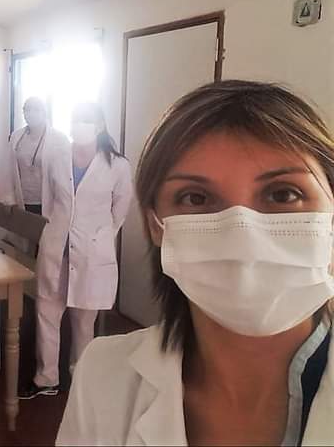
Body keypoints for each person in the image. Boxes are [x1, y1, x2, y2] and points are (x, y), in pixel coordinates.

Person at [57, 81, 334, 445]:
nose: (241, 233)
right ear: (155, 225)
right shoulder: (101, 376)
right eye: (196, 198)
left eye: (283, 194)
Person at [20, 102, 133, 399]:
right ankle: (46, 379)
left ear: (100, 126)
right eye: (76, 119)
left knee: (84, 320)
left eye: (86, 120)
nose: (80, 125)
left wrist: (99, 236)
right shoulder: (56, 157)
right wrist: (57, 232)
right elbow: (48, 202)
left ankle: (80, 376)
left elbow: (120, 211)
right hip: (56, 246)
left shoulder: (118, 165)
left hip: (91, 253)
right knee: (46, 311)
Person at [8, 97, 69, 214]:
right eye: (27, 109)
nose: (31, 113)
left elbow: (64, 175)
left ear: (44, 112)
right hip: (23, 199)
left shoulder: (59, 139)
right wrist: (10, 197)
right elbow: (10, 170)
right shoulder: (16, 137)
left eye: (36, 109)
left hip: (48, 200)